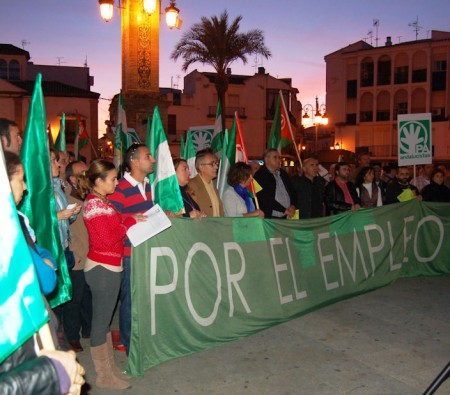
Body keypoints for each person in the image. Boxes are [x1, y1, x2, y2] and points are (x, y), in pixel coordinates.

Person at [2, 151, 85, 395]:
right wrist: (54, 372)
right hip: (22, 345)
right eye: (20, 179)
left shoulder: (15, 220)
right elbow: (47, 279)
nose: (26, 186)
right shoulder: (8, 229)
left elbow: (41, 251)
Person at [77, 159, 146, 389]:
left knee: (104, 321)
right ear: (98, 181)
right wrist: (127, 222)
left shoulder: (101, 202)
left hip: (109, 266)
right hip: (102, 268)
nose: (116, 182)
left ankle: (109, 368)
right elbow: (109, 237)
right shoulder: (95, 205)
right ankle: (103, 375)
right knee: (100, 323)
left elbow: (115, 227)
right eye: (113, 178)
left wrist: (127, 220)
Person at [109, 143, 156, 355]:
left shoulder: (147, 185)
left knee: (142, 298)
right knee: (129, 300)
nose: (153, 159)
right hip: (129, 254)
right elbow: (111, 220)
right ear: (135, 161)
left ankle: (140, 338)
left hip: (144, 251)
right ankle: (129, 345)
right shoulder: (120, 189)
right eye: (148, 156)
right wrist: (129, 219)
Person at [62, 160, 93, 353]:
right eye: (83, 173)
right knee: (75, 298)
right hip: (78, 253)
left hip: (91, 252)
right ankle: (72, 336)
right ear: (73, 178)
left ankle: (88, 328)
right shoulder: (66, 197)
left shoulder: (86, 192)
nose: (87, 175)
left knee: (88, 295)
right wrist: (75, 251)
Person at [253, 149, 296, 219]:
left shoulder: (283, 173)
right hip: (270, 217)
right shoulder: (260, 175)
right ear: (266, 160)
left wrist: (293, 205)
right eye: (275, 157)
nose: (279, 160)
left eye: (279, 157)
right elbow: (264, 197)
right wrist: (283, 209)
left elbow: (293, 191)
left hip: (287, 215)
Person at [187, 148, 224, 216]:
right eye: (212, 164)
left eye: (216, 163)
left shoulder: (213, 184)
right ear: (201, 167)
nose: (216, 167)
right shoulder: (192, 185)